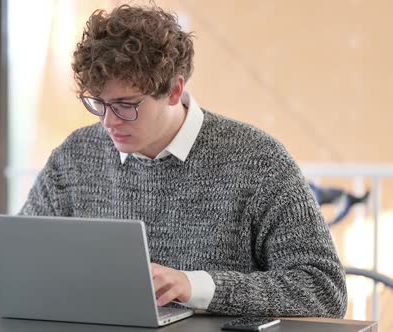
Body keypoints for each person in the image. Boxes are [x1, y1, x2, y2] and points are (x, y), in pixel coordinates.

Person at [20, 4, 347, 318]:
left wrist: (195, 286)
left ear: (174, 91)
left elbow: (324, 290)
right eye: (99, 104)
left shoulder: (258, 161)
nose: (109, 122)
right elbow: (22, 260)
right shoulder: (76, 155)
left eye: (125, 104)